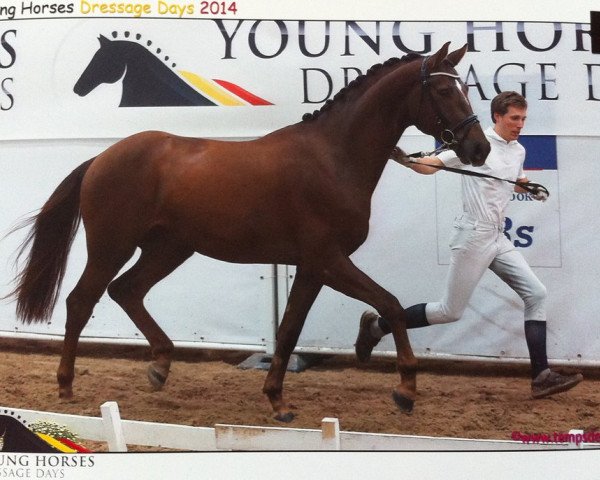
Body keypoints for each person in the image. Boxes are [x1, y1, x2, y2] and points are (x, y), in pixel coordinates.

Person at [355, 91, 583, 399]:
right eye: (514, 118)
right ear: (497, 117)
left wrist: (530, 188)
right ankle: (377, 328)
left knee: (536, 294)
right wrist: (408, 160)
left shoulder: (518, 151)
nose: (520, 124)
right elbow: (432, 165)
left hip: (497, 237)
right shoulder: (474, 145)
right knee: (450, 311)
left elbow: (515, 179)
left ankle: (541, 376)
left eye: (523, 119)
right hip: (472, 236)